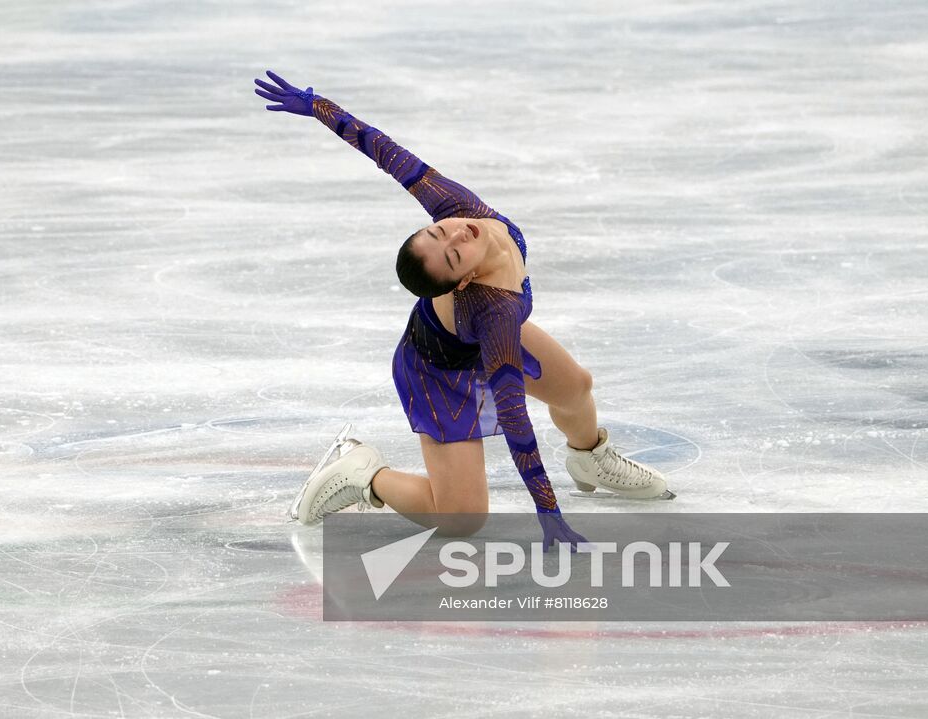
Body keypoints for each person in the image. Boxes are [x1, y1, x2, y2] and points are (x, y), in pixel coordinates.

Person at [254, 71, 672, 543]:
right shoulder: (496, 311)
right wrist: (548, 512)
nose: (457, 235)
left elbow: (386, 152)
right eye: (453, 255)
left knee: (575, 388)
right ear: (465, 280)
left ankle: (589, 458)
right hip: (437, 372)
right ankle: (361, 472)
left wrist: (318, 107)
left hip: (470, 337)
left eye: (438, 231)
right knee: (461, 518)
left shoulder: (458, 210)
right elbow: (515, 421)